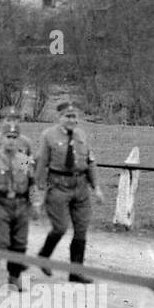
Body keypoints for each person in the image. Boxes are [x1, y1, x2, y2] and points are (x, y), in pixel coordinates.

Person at [33, 100, 104, 283]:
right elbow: (41, 164)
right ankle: (44, 255)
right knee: (60, 227)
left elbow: (90, 162)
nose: (72, 120)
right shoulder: (48, 135)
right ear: (60, 118)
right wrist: (38, 192)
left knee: (81, 228)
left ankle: (75, 272)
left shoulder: (81, 135)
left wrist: (96, 188)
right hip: (58, 186)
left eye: (75, 117)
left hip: (80, 187)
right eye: (68, 116)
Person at [0, 111, 36, 291]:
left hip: (20, 204)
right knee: (2, 241)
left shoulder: (25, 160)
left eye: (14, 137)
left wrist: (35, 203)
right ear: (1, 138)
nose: (11, 140)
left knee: (20, 243)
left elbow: (32, 183)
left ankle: (14, 276)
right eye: (7, 136)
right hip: (0, 204)